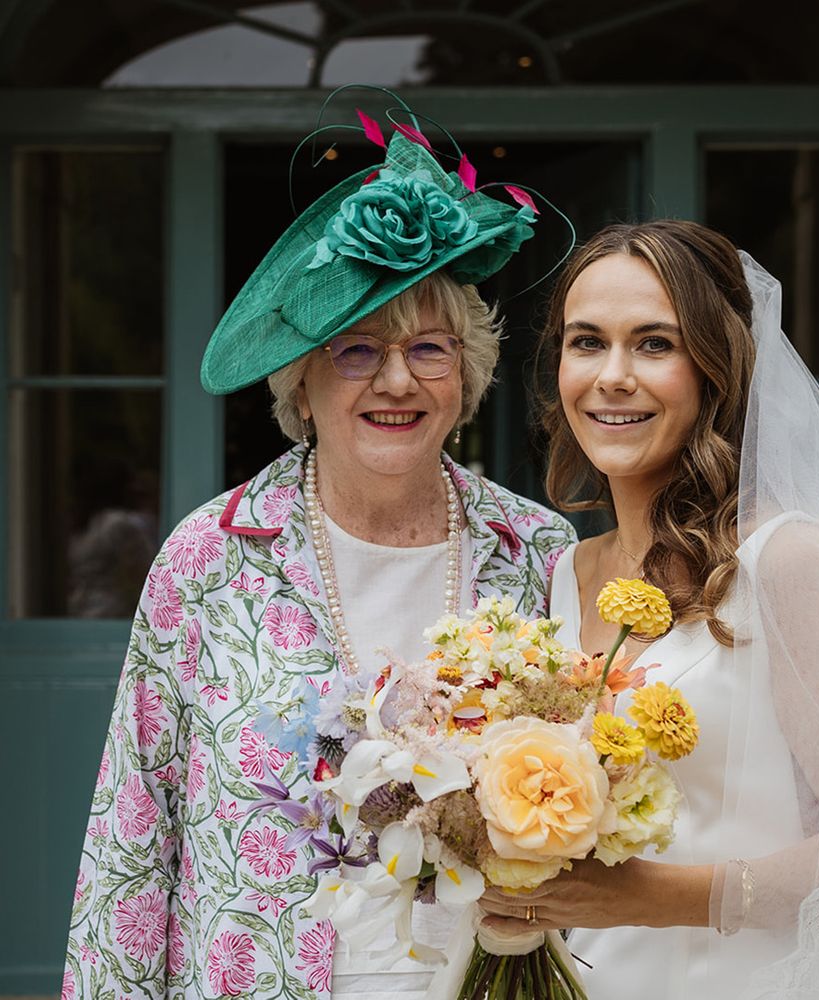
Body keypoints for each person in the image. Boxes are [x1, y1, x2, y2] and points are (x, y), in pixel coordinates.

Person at [63, 98, 576, 1000]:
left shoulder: (537, 552)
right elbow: (131, 840)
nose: (395, 380)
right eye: (355, 350)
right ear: (301, 379)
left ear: (466, 376)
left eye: (429, 348)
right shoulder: (208, 560)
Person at [478, 220, 819, 999]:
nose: (612, 376)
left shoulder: (789, 562)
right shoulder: (566, 574)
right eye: (586, 342)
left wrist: (653, 900)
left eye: (654, 344)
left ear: (715, 369)